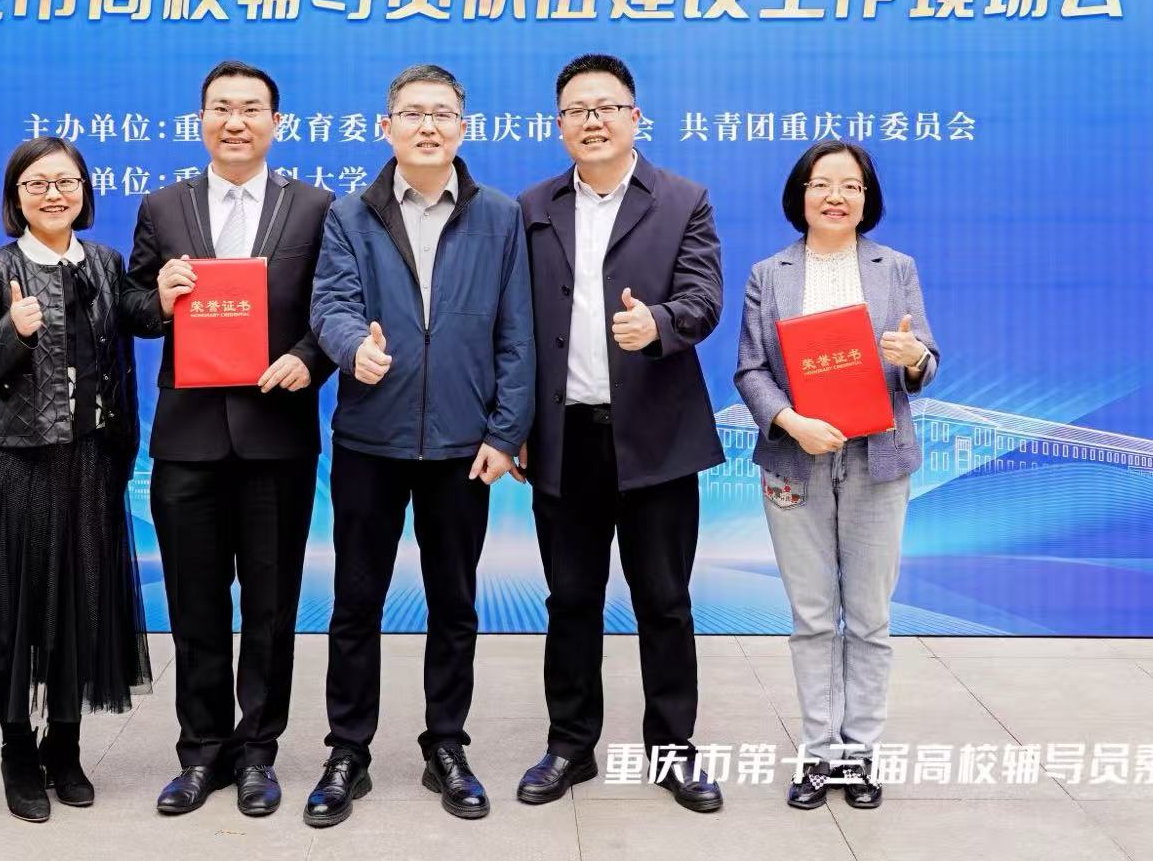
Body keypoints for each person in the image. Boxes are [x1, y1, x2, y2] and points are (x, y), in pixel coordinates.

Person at [302, 63, 534, 828]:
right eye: (412, 113)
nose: (427, 126)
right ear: (387, 127)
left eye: (441, 114)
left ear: (463, 127)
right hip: (371, 438)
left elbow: (517, 333)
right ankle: (348, 751)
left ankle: (447, 746)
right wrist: (352, 348)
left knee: (455, 604)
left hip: (464, 446)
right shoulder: (350, 214)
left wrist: (506, 432)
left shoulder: (499, 216)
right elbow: (331, 304)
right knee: (355, 603)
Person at [124, 60, 337, 820]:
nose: (236, 121)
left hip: (277, 437)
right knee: (195, 604)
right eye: (221, 108)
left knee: (273, 608)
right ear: (201, 120)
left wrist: (308, 360)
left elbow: (336, 309)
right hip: (187, 440)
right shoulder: (163, 205)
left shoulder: (315, 207)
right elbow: (133, 308)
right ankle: (201, 752)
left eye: (251, 108)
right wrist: (159, 297)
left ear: (277, 122)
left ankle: (257, 754)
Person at [513, 54, 725, 813]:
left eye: (607, 106)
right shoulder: (531, 207)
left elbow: (704, 299)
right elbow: (513, 326)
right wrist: (514, 425)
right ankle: (570, 746)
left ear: (636, 117)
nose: (593, 120)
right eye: (577, 110)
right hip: (564, 438)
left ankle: (672, 750)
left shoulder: (683, 200)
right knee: (570, 598)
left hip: (656, 439)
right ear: (560, 125)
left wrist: (657, 323)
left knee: (664, 600)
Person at [733, 140, 939, 811]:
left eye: (851, 186)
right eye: (822, 184)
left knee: (871, 618)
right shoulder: (769, 274)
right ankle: (819, 755)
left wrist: (913, 357)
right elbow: (750, 370)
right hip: (797, 459)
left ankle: (860, 755)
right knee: (814, 617)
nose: (836, 196)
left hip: (877, 460)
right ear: (801, 195)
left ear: (866, 198)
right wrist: (792, 422)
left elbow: (927, 360)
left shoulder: (896, 268)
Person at [0, 136, 151, 823]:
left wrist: (171, 295)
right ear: (16, 197)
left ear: (84, 192)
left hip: (95, 459)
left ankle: (65, 746)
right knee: (20, 609)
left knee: (83, 604)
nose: (53, 194)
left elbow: (139, 320)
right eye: (36, 184)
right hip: (26, 464)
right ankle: (17, 751)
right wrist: (14, 331)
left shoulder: (105, 263)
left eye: (66, 182)